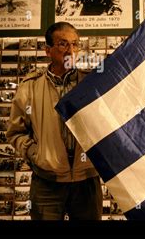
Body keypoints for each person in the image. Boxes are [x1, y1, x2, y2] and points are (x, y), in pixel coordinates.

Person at [7, 22, 103, 220]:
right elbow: (16, 132)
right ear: (48, 50)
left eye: (75, 44)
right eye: (63, 44)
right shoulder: (29, 87)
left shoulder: (91, 83)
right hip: (46, 182)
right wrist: (37, 155)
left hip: (87, 180)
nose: (71, 51)